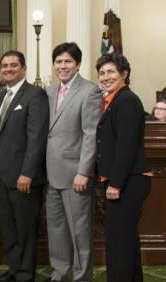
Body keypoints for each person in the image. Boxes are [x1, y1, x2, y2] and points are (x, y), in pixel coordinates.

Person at [44, 42, 102, 282]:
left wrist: (83, 171)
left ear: (77, 64)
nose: (63, 66)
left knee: (79, 232)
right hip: (50, 173)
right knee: (56, 230)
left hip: (75, 174)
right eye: (59, 61)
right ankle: (61, 274)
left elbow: (91, 134)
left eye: (68, 61)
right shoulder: (49, 91)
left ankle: (81, 277)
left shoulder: (90, 91)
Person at [0, 51, 49, 282]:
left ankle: (25, 275)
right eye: (4, 66)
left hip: (23, 177)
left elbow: (36, 138)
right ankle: (14, 270)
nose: (8, 69)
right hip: (2, 176)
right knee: (9, 227)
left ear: (23, 68)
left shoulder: (35, 95)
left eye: (13, 65)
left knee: (25, 229)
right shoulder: (0, 97)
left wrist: (27, 173)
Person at [95, 53, 152, 282]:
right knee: (126, 242)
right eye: (102, 73)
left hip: (128, 181)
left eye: (111, 72)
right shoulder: (114, 99)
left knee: (118, 244)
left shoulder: (127, 100)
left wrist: (116, 183)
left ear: (124, 74)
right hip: (125, 180)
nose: (105, 77)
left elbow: (126, 146)